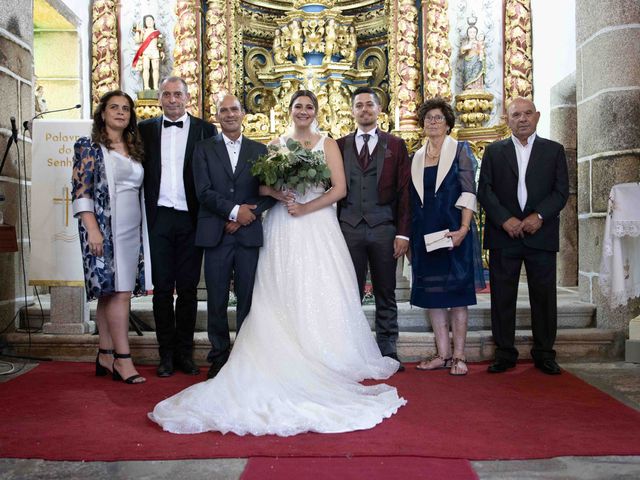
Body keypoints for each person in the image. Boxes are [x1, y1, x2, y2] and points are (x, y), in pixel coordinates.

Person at [149, 90, 405, 436]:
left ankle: (322, 351)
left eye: (309, 106)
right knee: (279, 287)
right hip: (283, 224)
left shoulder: (328, 143)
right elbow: (262, 187)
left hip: (316, 223)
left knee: (317, 286)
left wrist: (305, 206)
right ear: (289, 110)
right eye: (298, 106)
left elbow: (339, 189)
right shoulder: (275, 144)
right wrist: (280, 195)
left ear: (316, 111)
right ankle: (255, 351)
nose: (303, 111)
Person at [477, 97, 569, 375]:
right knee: (502, 296)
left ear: (537, 116)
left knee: (543, 297)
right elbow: (485, 191)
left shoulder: (554, 151)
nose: (523, 119)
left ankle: (544, 353)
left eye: (528, 113)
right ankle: (505, 353)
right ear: (507, 119)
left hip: (540, 234)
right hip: (504, 235)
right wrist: (505, 219)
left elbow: (561, 191)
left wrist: (538, 216)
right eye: (516, 114)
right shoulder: (494, 151)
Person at [192, 94, 275, 379]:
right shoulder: (203, 149)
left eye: (234, 109)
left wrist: (244, 216)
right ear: (217, 116)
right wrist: (233, 212)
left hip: (248, 233)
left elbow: (268, 192)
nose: (229, 114)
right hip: (215, 233)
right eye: (223, 110)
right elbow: (202, 191)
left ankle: (245, 355)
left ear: (243, 114)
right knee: (215, 297)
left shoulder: (259, 149)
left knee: (247, 297)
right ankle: (218, 355)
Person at [138, 77, 217, 378]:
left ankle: (185, 353)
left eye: (177, 94)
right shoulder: (144, 130)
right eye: (166, 94)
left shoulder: (205, 130)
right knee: (160, 290)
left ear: (187, 97)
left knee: (187, 290)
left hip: (191, 218)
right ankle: (165, 354)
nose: (172, 99)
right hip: (158, 217)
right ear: (159, 98)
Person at [71, 90, 151, 384]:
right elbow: (81, 191)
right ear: (102, 113)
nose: (120, 112)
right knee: (119, 293)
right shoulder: (88, 146)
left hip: (132, 228)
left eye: (126, 109)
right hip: (104, 228)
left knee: (111, 292)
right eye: (114, 107)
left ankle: (105, 353)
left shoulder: (134, 147)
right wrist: (92, 229)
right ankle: (123, 359)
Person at [337, 86, 411, 370]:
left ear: (379, 110)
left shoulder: (395, 145)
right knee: (349, 292)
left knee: (386, 291)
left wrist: (403, 233)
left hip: (383, 228)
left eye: (370, 105)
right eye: (359, 105)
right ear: (352, 110)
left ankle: (388, 349)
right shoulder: (339, 144)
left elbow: (404, 192)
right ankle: (351, 349)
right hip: (348, 228)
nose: (365, 109)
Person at [409, 98, 484, 376]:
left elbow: (468, 193)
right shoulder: (415, 157)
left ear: (448, 123)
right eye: (428, 118)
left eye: (438, 117)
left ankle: (459, 356)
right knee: (434, 297)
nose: (433, 122)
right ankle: (442, 354)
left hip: (453, 233)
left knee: (456, 296)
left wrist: (464, 229)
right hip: (425, 235)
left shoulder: (460, 150)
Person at [132, 15, 163, 91]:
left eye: (150, 20)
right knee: (146, 68)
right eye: (147, 21)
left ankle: (155, 86)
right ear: (145, 23)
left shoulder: (157, 32)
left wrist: (162, 51)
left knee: (156, 69)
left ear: (154, 21)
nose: (149, 22)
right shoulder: (144, 31)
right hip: (146, 52)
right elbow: (138, 40)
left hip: (155, 51)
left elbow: (160, 43)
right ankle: (146, 86)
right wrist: (138, 32)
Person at [459, 25, 485, 91]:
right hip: (468, 62)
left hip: (477, 61)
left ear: (476, 33)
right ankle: (468, 88)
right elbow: (461, 51)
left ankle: (477, 88)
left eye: (474, 32)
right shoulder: (466, 42)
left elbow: (482, 52)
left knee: (477, 74)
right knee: (468, 76)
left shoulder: (478, 42)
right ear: (468, 33)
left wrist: (481, 55)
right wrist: (468, 46)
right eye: (470, 32)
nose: (472, 34)